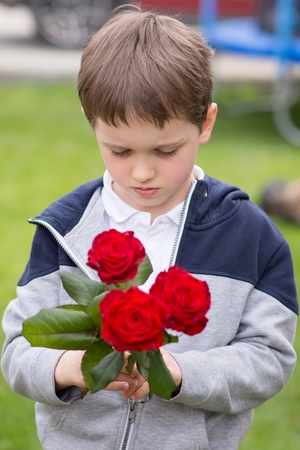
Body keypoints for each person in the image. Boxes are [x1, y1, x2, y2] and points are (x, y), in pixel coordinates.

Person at [1, 5, 298, 450]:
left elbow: (269, 359)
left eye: (165, 150)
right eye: (120, 151)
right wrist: (68, 366)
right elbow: (19, 350)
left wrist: (178, 374)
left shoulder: (250, 237)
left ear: (206, 123)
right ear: (91, 122)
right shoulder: (64, 230)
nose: (142, 172)